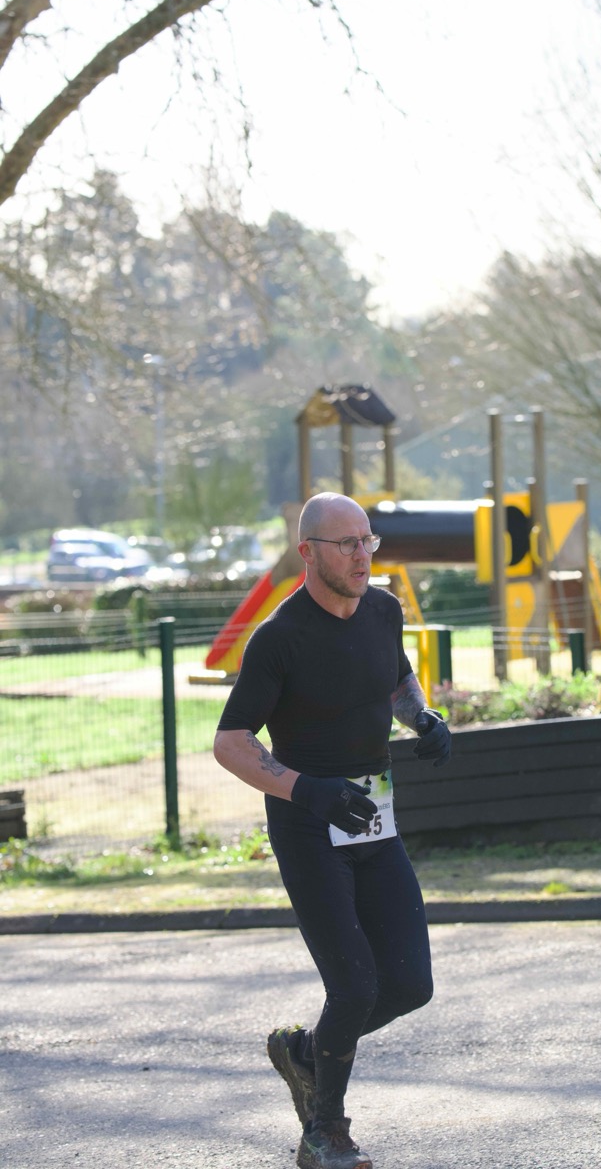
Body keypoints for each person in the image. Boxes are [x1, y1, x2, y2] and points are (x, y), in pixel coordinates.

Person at [213, 492, 452, 1169]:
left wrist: (423, 719)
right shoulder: (279, 638)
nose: (361, 555)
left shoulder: (383, 610)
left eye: (367, 541)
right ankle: (325, 1132)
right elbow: (230, 743)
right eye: (346, 544)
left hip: (373, 817)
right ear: (308, 553)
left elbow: (396, 680)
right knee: (354, 987)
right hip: (308, 826)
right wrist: (307, 789)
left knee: (408, 985)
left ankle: (301, 1052)